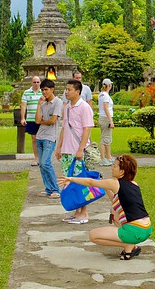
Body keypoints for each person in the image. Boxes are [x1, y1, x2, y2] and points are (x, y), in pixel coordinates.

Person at [59, 154, 151, 260]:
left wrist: (71, 179)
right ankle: (130, 247)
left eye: (115, 166)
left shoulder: (115, 183)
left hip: (134, 231)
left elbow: (90, 182)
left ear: (122, 171)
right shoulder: (134, 184)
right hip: (146, 228)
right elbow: (117, 202)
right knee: (114, 212)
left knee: (93, 235)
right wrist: (107, 188)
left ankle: (128, 245)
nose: (112, 167)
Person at [55, 80, 95, 224]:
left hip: (77, 150)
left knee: (80, 181)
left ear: (77, 92)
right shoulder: (67, 108)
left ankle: (84, 213)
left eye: (69, 89)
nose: (66, 92)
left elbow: (87, 129)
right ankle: (77, 211)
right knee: (69, 182)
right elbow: (65, 128)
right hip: (66, 150)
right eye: (66, 89)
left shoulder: (84, 107)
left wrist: (80, 149)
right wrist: (59, 147)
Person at [34, 79, 62, 197]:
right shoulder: (43, 104)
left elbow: (53, 121)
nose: (44, 92)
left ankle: (56, 189)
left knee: (46, 162)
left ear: (52, 89)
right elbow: (37, 120)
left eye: (46, 90)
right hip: (40, 136)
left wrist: (43, 121)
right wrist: (39, 104)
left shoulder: (57, 102)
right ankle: (48, 188)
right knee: (41, 163)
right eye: (42, 90)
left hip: (50, 137)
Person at [21, 76, 42, 166]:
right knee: (34, 139)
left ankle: (43, 159)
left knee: (42, 138)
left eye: (38, 82)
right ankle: (37, 158)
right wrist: (23, 118)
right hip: (31, 118)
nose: (36, 84)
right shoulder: (26, 92)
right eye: (34, 82)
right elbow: (23, 106)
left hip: (42, 119)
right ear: (31, 83)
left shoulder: (43, 92)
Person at [98, 78, 115, 166]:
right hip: (105, 118)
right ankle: (103, 158)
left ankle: (108, 157)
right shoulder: (105, 95)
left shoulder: (101, 94)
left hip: (102, 117)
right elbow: (106, 108)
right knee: (105, 139)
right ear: (109, 86)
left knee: (105, 138)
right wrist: (110, 120)